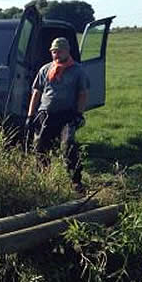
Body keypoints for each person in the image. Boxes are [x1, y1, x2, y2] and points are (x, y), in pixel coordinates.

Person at [26, 37, 89, 190]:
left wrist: (79, 114)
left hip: (67, 115)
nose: (56, 55)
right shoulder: (45, 69)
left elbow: (82, 93)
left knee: (68, 145)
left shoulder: (77, 71)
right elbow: (36, 92)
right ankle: (42, 181)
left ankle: (76, 182)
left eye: (59, 51)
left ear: (67, 51)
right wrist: (30, 115)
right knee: (40, 146)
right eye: (54, 52)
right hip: (45, 114)